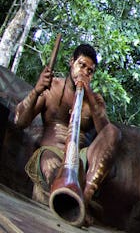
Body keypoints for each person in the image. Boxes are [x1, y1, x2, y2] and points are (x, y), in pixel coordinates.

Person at [13, 44, 121, 217]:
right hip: (52, 153)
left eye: (90, 71)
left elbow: (107, 136)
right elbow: (20, 122)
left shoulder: (94, 101)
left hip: (82, 159)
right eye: (81, 65)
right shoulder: (51, 88)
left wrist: (94, 103)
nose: (85, 72)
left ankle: (84, 197)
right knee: (54, 167)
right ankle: (71, 198)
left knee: (114, 131)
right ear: (71, 62)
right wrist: (37, 90)